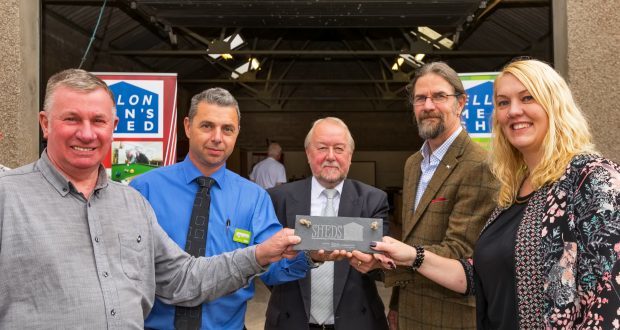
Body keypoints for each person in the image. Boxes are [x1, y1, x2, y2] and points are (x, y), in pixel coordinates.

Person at [0, 69, 301, 329]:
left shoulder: (130, 204)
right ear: (45, 123)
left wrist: (269, 253)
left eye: (98, 120)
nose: (87, 134)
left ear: (113, 127)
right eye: (71, 119)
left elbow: (183, 278)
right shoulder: (9, 197)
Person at [366, 59, 620, 329]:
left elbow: (609, 301)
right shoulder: (513, 190)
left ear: (554, 104)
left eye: (527, 97)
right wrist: (406, 255)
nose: (514, 111)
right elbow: (477, 276)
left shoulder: (592, 178)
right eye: (502, 102)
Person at [130, 88, 311, 330]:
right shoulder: (144, 189)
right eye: (207, 126)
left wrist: (309, 254)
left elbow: (273, 268)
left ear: (237, 133)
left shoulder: (254, 198)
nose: (218, 137)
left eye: (227, 129)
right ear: (187, 126)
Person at [377, 61, 498, 329]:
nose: (428, 106)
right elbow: (412, 238)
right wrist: (396, 305)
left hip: (450, 316)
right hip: (409, 311)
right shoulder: (413, 164)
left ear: (461, 103)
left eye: (439, 96)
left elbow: (459, 251)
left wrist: (385, 263)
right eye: (421, 98)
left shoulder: (480, 165)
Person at [263, 117, 390, 330]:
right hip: (290, 321)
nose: (330, 157)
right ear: (308, 153)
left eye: (339, 149)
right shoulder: (278, 198)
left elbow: (378, 266)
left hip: (357, 322)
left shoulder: (374, 200)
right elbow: (266, 263)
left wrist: (373, 261)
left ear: (350, 156)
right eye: (322, 148)